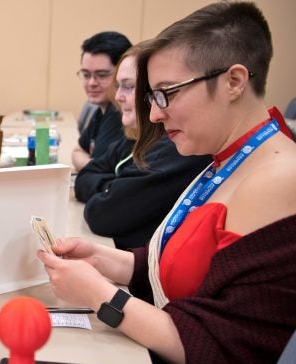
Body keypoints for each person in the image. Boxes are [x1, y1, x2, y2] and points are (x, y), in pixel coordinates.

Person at [38, 2, 296, 364]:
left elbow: (226, 354)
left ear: (234, 81)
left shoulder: (281, 180)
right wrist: (112, 262)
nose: (154, 114)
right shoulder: (232, 155)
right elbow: (205, 265)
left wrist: (98, 295)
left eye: (167, 93)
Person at [74, 43, 212, 249]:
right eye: (118, 86)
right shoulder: (134, 136)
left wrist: (114, 189)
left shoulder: (177, 149)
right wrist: (115, 186)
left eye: (128, 86)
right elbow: (84, 178)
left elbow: (101, 214)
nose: (118, 96)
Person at [70, 31, 131, 172]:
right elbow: (77, 152)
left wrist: (88, 165)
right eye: (86, 74)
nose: (91, 83)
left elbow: (96, 172)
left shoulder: (120, 114)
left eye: (102, 75)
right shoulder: (102, 108)